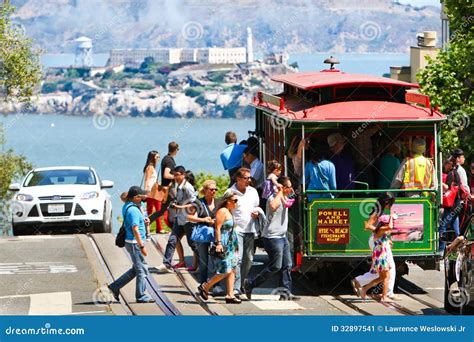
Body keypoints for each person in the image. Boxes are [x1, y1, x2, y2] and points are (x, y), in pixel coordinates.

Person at [243, 176, 300, 301]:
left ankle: (285, 293)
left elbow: (290, 202)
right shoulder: (272, 197)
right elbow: (273, 207)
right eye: (289, 187)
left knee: (287, 265)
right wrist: (279, 191)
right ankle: (250, 284)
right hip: (271, 237)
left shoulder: (285, 197)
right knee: (276, 266)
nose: (291, 190)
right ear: (282, 187)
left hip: (282, 236)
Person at [108, 186, 155, 303]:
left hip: (131, 242)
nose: (143, 198)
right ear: (135, 197)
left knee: (135, 269)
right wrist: (142, 246)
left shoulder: (128, 206)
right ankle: (141, 296)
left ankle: (114, 287)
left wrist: (144, 221)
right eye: (141, 196)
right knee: (142, 270)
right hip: (134, 243)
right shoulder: (133, 210)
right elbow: (135, 229)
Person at [351, 192, 399, 301]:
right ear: (386, 202)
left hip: (380, 239)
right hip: (377, 241)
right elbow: (367, 226)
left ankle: (362, 283)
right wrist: (381, 231)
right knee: (386, 267)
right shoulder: (377, 211)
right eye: (390, 203)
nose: (390, 206)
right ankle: (386, 293)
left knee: (383, 269)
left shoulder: (379, 210)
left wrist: (385, 236)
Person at [198, 190, 241, 304]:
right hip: (223, 243)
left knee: (232, 269)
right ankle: (206, 286)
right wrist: (219, 243)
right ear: (227, 201)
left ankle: (230, 295)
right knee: (224, 270)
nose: (236, 203)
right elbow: (217, 228)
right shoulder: (222, 211)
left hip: (231, 243)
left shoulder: (229, 211)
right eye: (234, 200)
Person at [157, 166, 197, 272]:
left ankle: (199, 265)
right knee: (172, 240)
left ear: (183, 175)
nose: (175, 177)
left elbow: (194, 203)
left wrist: (179, 207)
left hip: (188, 220)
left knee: (192, 244)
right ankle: (166, 264)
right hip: (179, 219)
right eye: (174, 175)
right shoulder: (179, 186)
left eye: (177, 174)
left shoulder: (187, 187)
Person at [230, 167, 260, 295]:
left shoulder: (253, 191)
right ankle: (236, 288)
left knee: (248, 259)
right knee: (238, 259)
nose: (249, 180)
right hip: (236, 230)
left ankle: (241, 283)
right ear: (238, 179)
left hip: (250, 230)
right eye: (246, 178)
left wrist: (257, 213)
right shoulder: (231, 192)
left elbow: (257, 206)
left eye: (249, 178)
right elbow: (225, 210)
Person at [439, 149, 472, 251]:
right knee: (456, 227)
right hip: (457, 204)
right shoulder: (458, 171)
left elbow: (458, 188)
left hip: (453, 204)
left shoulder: (455, 172)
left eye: (447, 163)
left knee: (443, 226)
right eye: (462, 157)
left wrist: (439, 182)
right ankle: (459, 248)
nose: (445, 165)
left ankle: (441, 250)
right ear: (457, 159)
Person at [187, 180, 218, 284]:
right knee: (203, 260)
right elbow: (189, 217)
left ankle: (215, 284)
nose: (214, 191)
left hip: (215, 233)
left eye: (215, 189)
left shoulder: (218, 202)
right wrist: (203, 220)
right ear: (205, 190)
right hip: (202, 234)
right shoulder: (198, 203)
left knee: (216, 259)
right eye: (211, 189)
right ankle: (203, 283)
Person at [143, 150, 165, 235]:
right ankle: (148, 228)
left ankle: (158, 228)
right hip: (151, 192)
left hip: (154, 191)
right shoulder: (150, 167)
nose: (158, 158)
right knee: (151, 210)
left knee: (157, 209)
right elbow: (147, 180)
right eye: (157, 157)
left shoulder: (152, 167)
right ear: (152, 157)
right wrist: (146, 192)